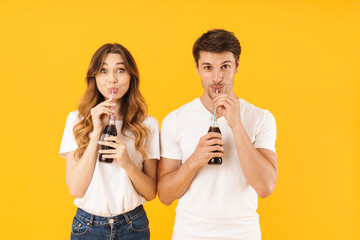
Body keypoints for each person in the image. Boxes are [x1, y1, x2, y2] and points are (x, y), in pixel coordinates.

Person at [157, 29, 278, 240]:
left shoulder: (260, 118)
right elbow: (165, 196)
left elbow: (265, 187)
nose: (217, 78)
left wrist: (237, 126)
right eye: (208, 67)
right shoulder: (175, 120)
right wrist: (195, 160)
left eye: (225, 67)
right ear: (197, 68)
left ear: (237, 66)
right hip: (190, 234)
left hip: (243, 234)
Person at [59, 43, 159, 240]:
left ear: (131, 76)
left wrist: (127, 163)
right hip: (87, 227)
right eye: (103, 71)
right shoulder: (77, 120)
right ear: (94, 77)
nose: (112, 79)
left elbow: (150, 193)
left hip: (133, 226)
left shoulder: (148, 124)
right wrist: (96, 132)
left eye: (120, 70)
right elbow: (76, 189)